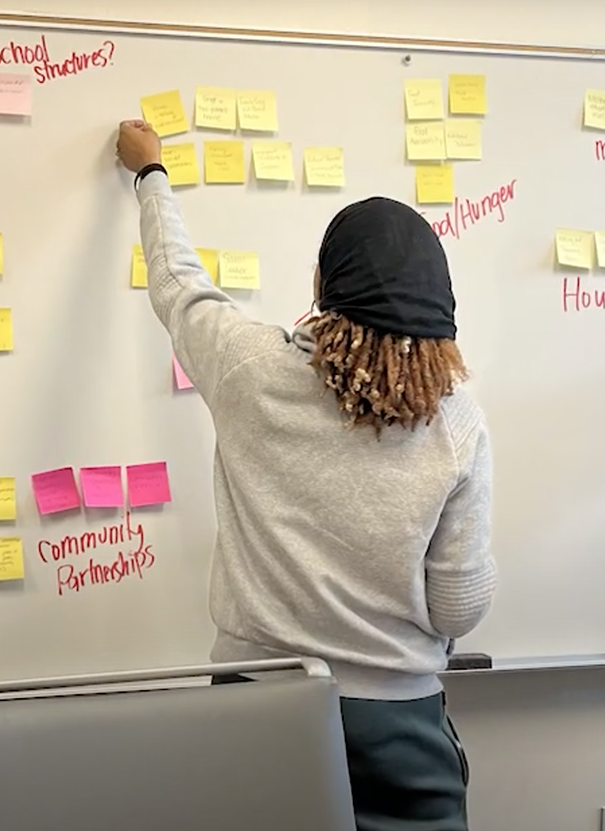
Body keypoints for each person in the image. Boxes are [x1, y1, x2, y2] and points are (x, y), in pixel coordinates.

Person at [115, 120, 496, 831]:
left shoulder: (249, 369)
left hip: (260, 704)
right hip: (398, 721)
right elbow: (458, 609)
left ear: (321, 286)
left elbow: (176, 283)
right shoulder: (456, 422)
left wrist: (152, 175)